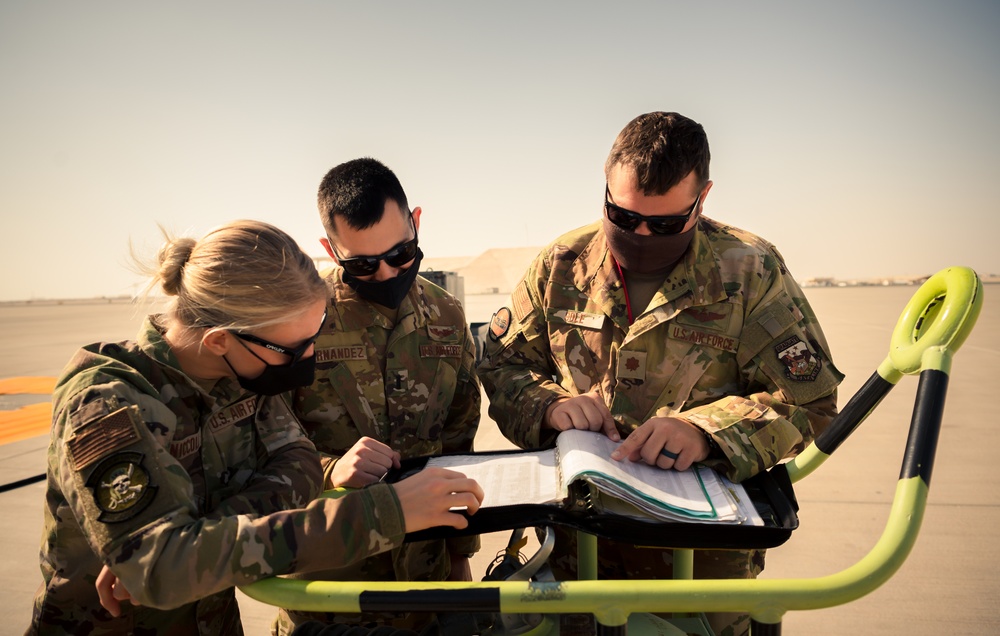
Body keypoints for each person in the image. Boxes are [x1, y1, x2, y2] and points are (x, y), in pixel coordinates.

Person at [477, 111, 843, 635]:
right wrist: (549, 406)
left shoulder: (749, 269)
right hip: (579, 556)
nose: (642, 235)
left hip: (699, 571)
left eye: (667, 223)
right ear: (604, 187)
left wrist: (706, 433)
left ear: (703, 197)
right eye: (623, 217)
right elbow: (504, 365)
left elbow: (809, 403)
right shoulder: (561, 264)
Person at [27, 220, 483, 636]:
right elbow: (160, 569)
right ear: (219, 340)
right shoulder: (105, 402)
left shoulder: (239, 376)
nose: (307, 359)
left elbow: (300, 464)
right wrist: (385, 513)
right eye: (293, 348)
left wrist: (196, 540)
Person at [275, 158, 483, 634]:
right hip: (332, 592)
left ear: (416, 224)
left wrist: (459, 557)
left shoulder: (447, 315)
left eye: (402, 254)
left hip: (426, 590)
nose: (388, 274)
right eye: (363, 265)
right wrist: (331, 470)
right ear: (329, 250)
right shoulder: (298, 324)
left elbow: (458, 442)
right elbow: (261, 453)